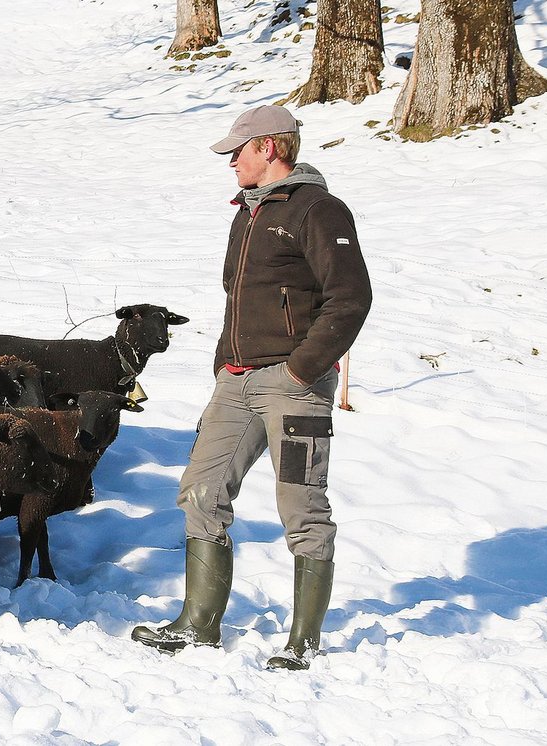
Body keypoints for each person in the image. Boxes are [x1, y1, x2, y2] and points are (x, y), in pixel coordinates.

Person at [130, 105, 372, 670]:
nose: (231, 159)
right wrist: (223, 365)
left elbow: (350, 298)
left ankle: (303, 643)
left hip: (293, 384)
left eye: (238, 149)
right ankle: (198, 625)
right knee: (200, 492)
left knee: (301, 509)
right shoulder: (247, 213)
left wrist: (302, 368)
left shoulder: (318, 209)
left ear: (270, 147)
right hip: (235, 384)